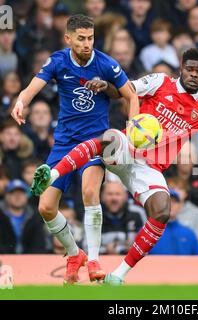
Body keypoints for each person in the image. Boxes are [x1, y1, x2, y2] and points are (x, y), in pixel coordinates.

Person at [32, 48, 198, 285]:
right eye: (190, 69)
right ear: (181, 67)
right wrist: (105, 86)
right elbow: (125, 91)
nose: (194, 74)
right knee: (109, 138)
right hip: (128, 150)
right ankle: (51, 174)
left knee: (162, 210)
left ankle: (118, 276)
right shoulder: (160, 82)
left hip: (149, 169)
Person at [10, 14, 139, 284]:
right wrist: (21, 102)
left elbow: (131, 95)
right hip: (65, 142)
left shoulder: (106, 64)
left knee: (90, 192)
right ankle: (73, 253)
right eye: (81, 38)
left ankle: (93, 260)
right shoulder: (58, 61)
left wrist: (134, 126)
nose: (87, 44)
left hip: (95, 141)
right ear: (68, 38)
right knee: (46, 207)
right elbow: (32, 87)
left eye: (90, 38)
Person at [149, 188, 198, 255]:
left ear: (180, 206)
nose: (171, 204)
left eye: (175, 201)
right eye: (167, 201)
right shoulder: (148, 232)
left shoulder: (189, 233)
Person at [0, 179, 46, 254]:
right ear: (6, 196)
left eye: (21, 193)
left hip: (30, 261)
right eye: (13, 193)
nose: (17, 196)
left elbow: (39, 244)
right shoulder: (1, 215)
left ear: (27, 196)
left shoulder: (35, 216)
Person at [97, 181, 143, 255]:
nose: (114, 198)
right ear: (102, 196)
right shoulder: (94, 214)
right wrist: (106, 250)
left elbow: (148, 242)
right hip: (102, 262)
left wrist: (133, 248)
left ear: (125, 196)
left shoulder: (137, 213)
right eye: (110, 194)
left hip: (133, 262)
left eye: (118, 194)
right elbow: (85, 246)